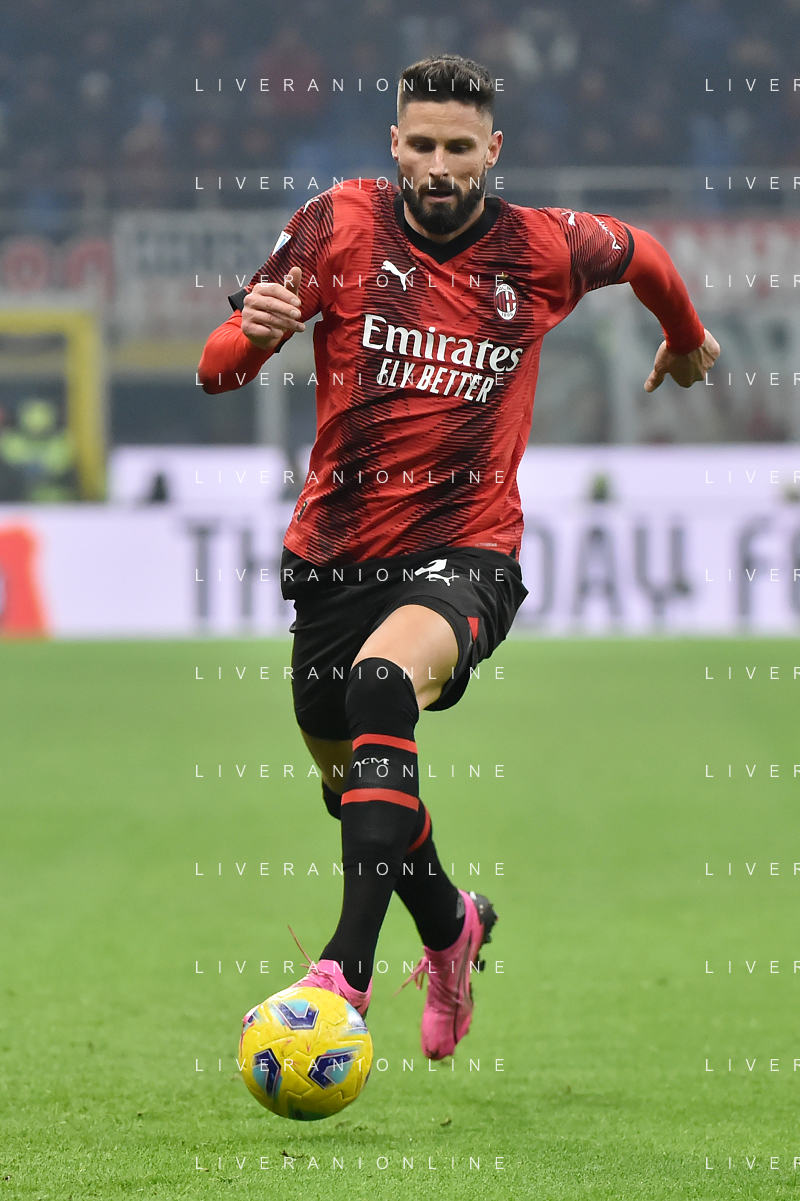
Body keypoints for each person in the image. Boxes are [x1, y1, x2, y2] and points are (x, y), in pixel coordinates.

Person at [198, 55, 719, 1060]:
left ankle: (343, 972)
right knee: (352, 781)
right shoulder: (336, 224)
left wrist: (686, 337)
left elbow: (645, 254)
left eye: (460, 148)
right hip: (334, 555)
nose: (440, 166)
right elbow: (217, 369)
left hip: (467, 549)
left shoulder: (542, 246)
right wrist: (250, 336)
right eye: (423, 145)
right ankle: (451, 925)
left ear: (492, 150)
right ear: (395, 144)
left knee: (383, 682)